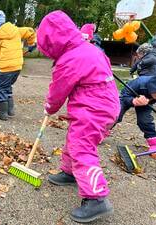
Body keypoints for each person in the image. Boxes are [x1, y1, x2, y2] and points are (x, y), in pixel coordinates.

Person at [37, 11, 120, 223]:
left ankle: (96, 198)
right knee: (75, 140)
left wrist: (49, 107)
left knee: (81, 147)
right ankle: (70, 172)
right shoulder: (89, 49)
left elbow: (58, 91)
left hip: (94, 109)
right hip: (104, 104)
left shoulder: (69, 59)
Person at [116, 67, 156, 158]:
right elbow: (124, 96)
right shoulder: (140, 82)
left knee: (145, 121)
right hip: (130, 97)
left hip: (145, 103)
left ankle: (155, 144)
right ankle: (102, 131)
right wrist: (133, 101)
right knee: (116, 113)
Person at [0, 10, 36, 121]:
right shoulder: (16, 30)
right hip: (17, 66)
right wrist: (31, 44)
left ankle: (2, 113)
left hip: (5, 67)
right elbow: (30, 31)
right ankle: (10, 110)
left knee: (0, 88)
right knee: (7, 86)